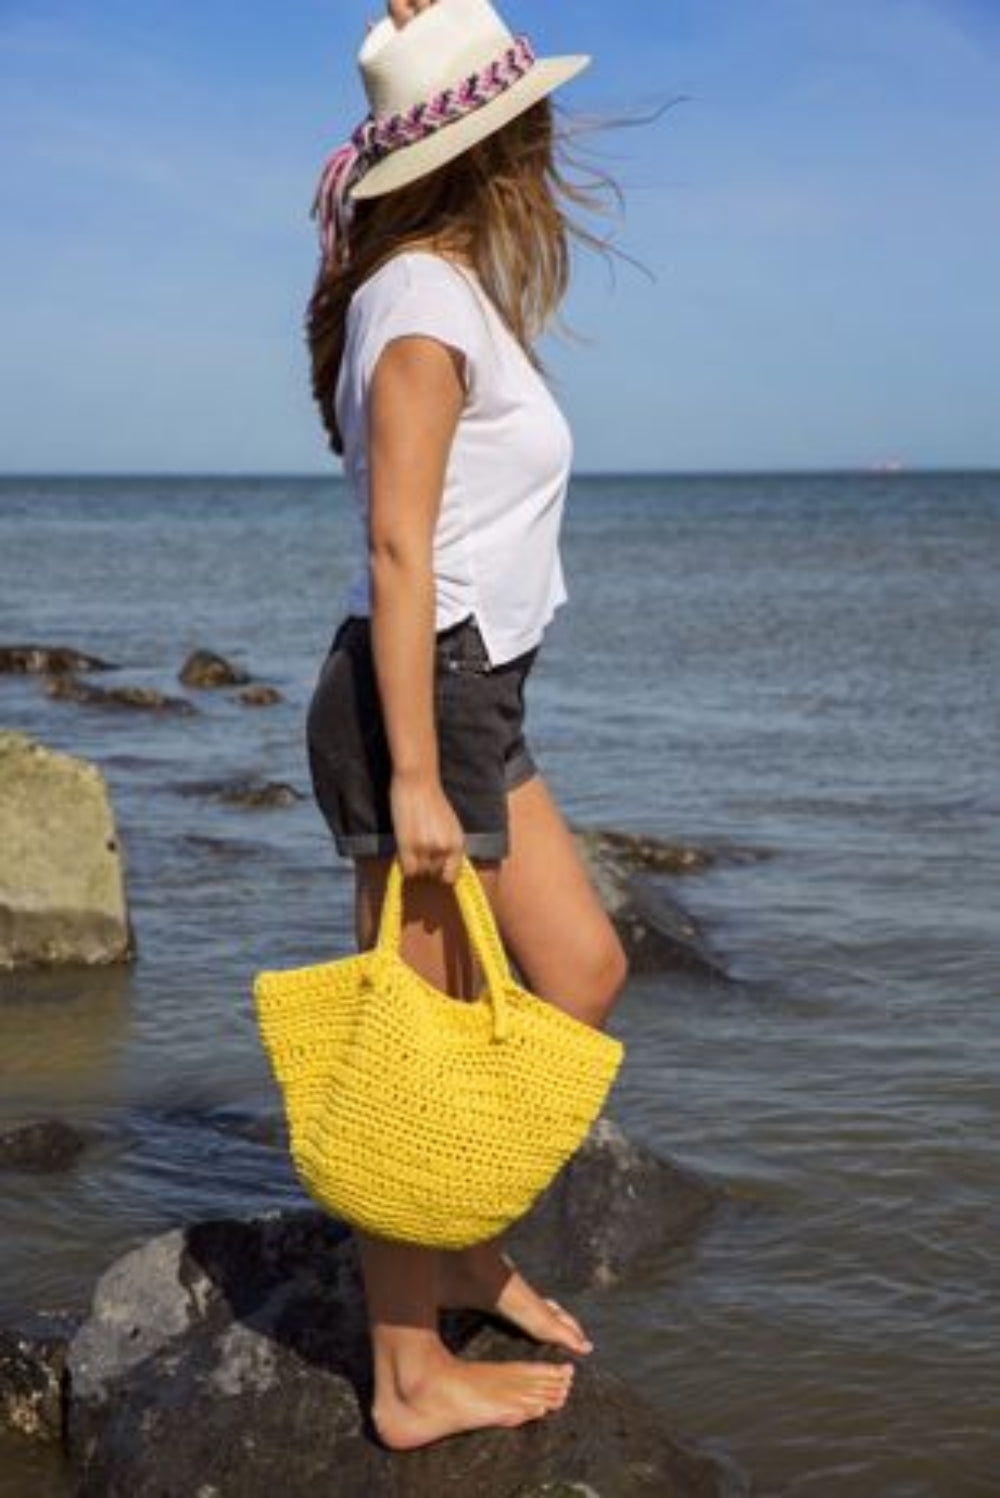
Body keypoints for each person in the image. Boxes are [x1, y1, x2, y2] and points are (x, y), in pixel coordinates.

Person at [304, 0, 630, 1452]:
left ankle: (458, 1237)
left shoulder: (444, 285)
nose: (548, 138)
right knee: (417, 1041)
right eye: (519, 117)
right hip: (419, 696)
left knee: (581, 964)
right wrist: (420, 775)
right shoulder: (423, 305)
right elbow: (395, 546)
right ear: (484, 142)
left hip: (476, 687)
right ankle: (406, 1368)